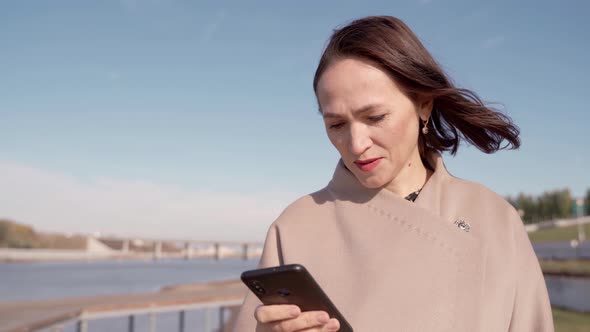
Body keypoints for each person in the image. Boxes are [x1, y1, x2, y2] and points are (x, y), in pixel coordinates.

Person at [232, 16, 554, 332]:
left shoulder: (494, 218)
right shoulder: (295, 227)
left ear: (423, 106)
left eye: (375, 116)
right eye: (337, 125)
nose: (356, 144)